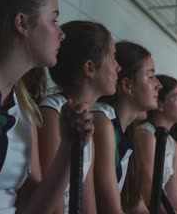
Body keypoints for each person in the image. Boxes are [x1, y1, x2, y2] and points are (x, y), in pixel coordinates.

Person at [0, 0, 93, 213]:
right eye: (54, 20)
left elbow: (33, 207)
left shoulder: (25, 107)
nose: (62, 34)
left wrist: (69, 148)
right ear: (22, 23)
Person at [38, 20, 120, 213]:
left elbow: (86, 203)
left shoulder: (85, 117)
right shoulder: (52, 113)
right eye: (113, 58)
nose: (118, 67)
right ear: (90, 68)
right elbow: (52, 202)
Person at [92, 41, 162, 213]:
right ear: (127, 86)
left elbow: (136, 205)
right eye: (151, 76)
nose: (159, 84)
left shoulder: (126, 131)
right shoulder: (102, 121)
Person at [136, 75, 177, 214]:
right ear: (160, 104)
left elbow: (174, 198)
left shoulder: (173, 144)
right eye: (176, 96)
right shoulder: (146, 134)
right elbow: (149, 193)